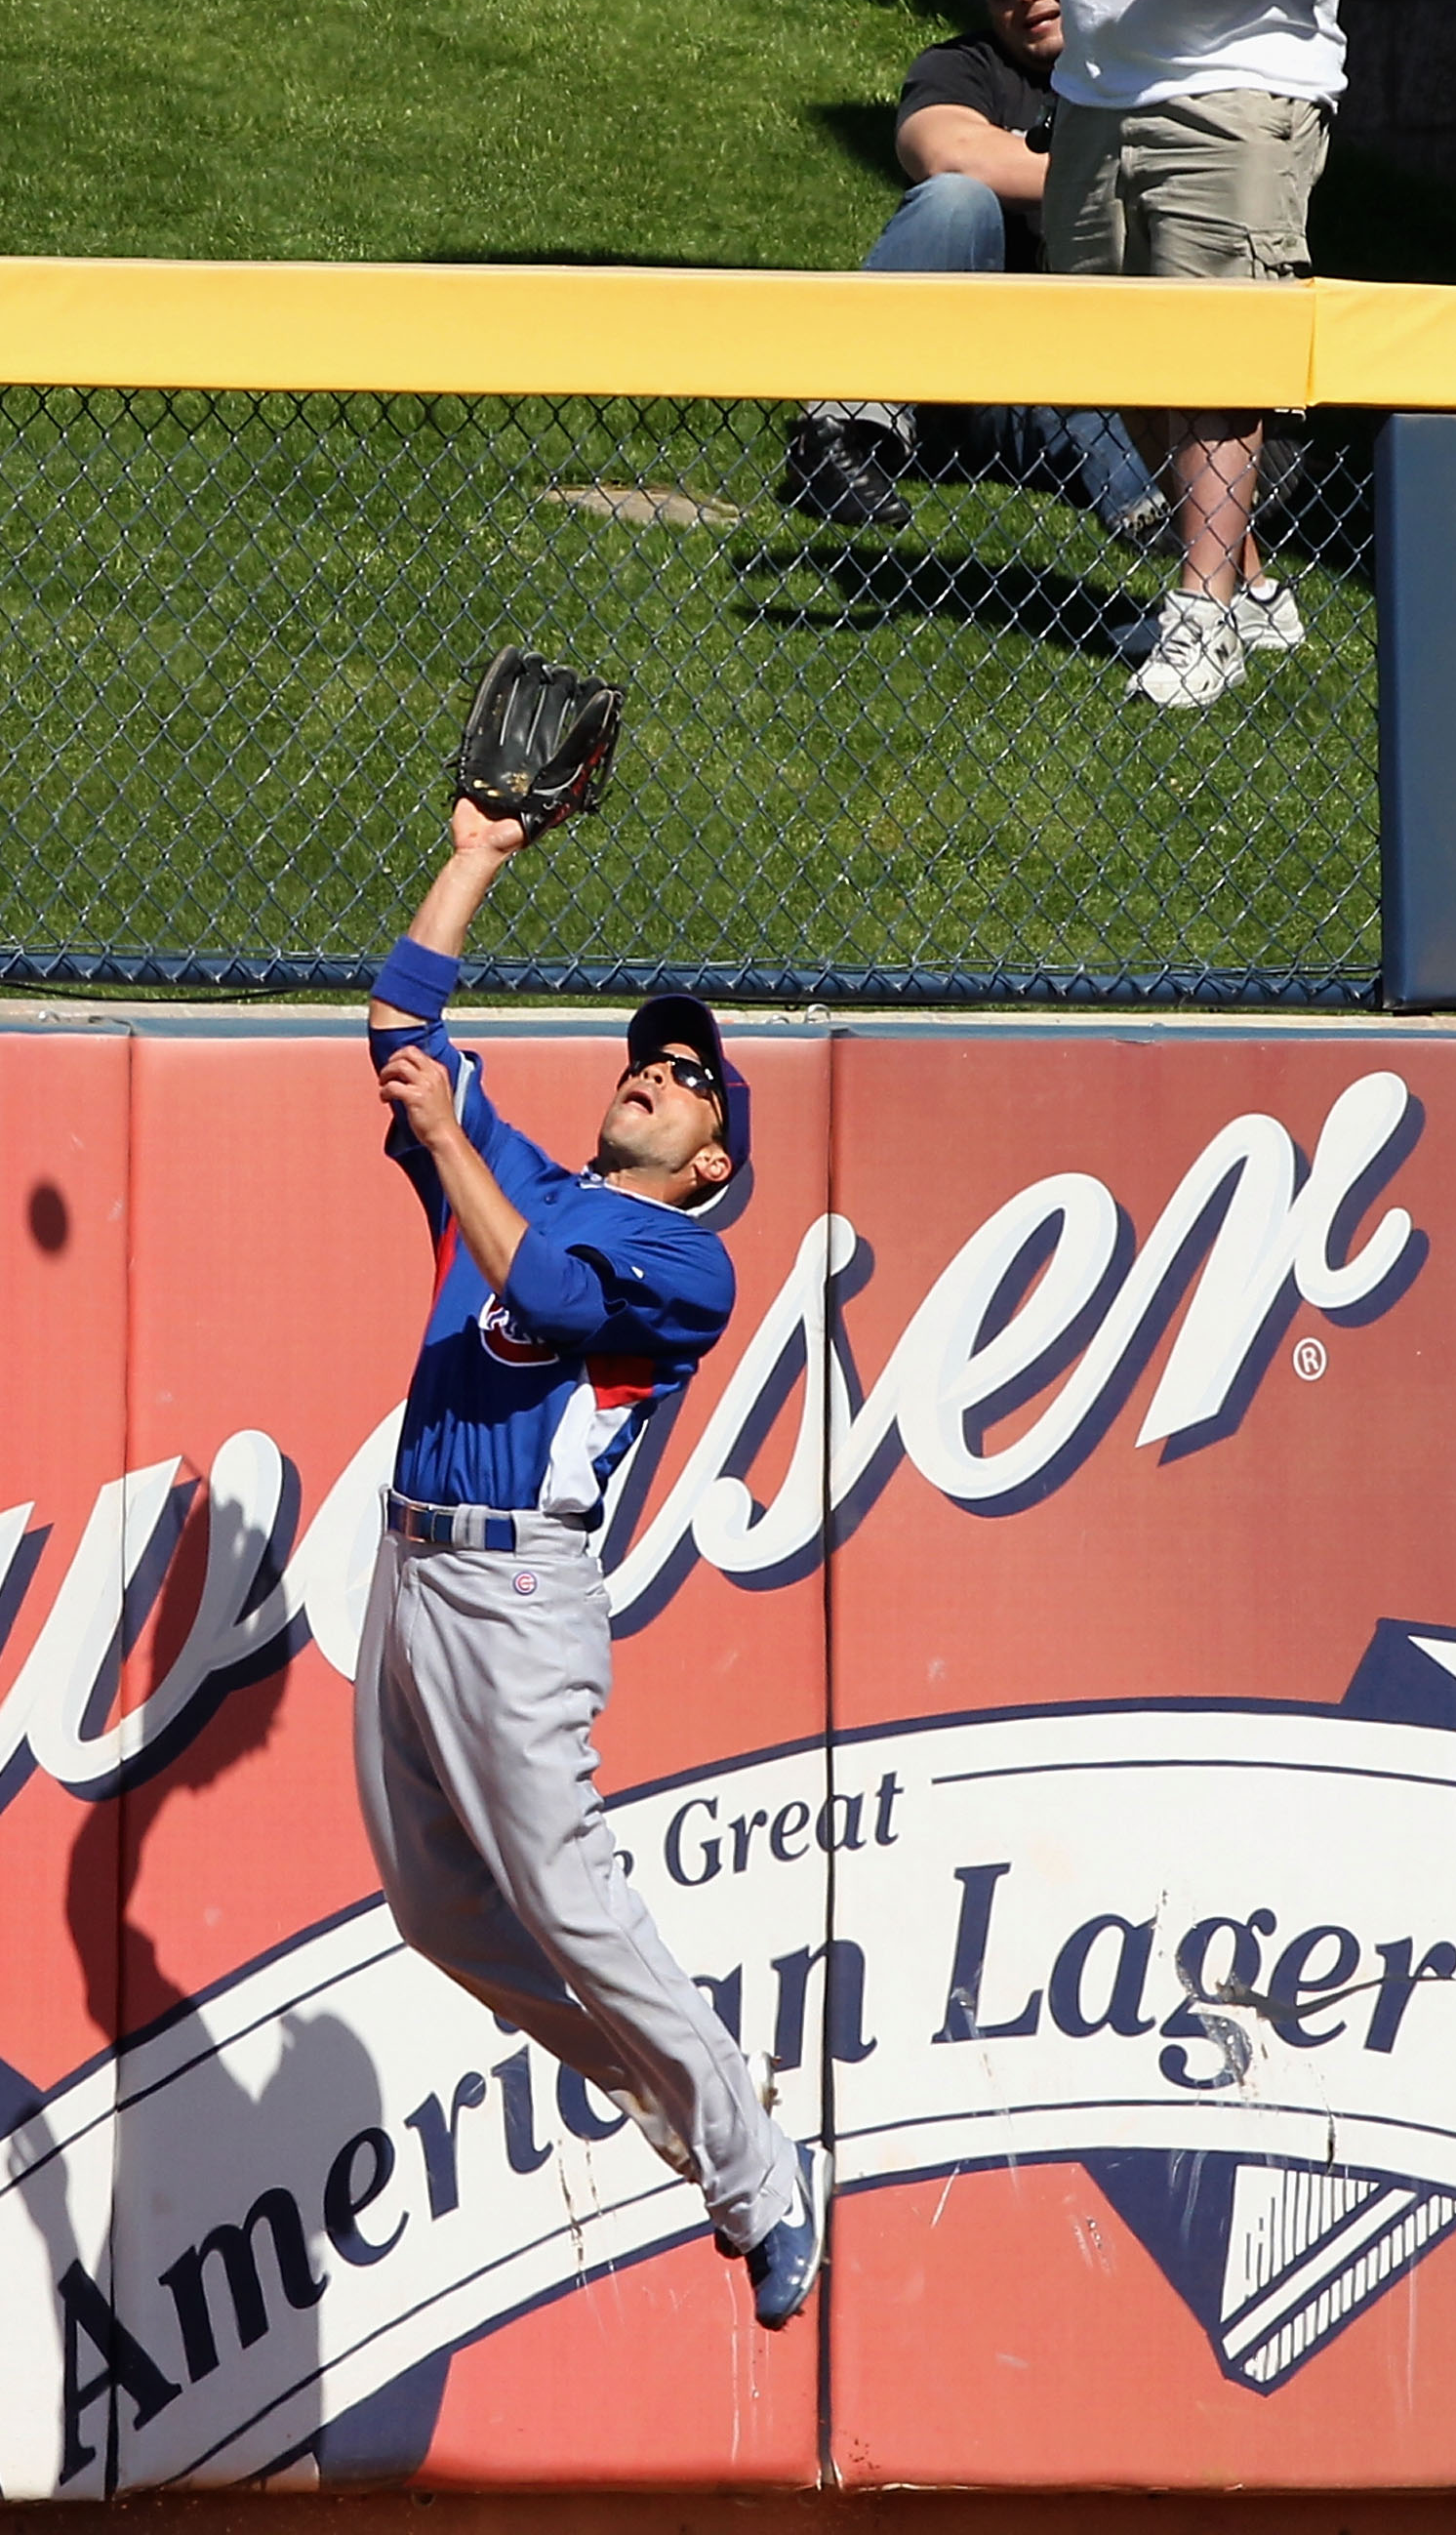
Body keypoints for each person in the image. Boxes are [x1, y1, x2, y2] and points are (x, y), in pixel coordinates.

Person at [356, 797, 828, 2333]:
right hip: (411, 1572)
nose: (657, 1074)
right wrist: (478, 857)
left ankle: (754, 2168)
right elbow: (398, 1025)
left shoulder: (690, 1257)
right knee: (437, 1912)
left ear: (711, 1161)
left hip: (518, 1591)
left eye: (694, 1081)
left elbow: (552, 1297)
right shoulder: (520, 1174)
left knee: (565, 1890)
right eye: (652, 1056)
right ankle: (677, 2094)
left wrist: (443, 1136)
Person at [989, 0, 1356, 708]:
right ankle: (1248, 590)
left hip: (1239, 86)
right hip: (1100, 86)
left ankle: (1198, 618)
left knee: (1213, 349)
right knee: (1115, 354)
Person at [783, 0, 1161, 547]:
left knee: (1093, 405)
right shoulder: (962, 68)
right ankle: (835, 434)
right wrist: (1111, 174)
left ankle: (1167, 506)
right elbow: (950, 155)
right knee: (958, 201)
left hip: (1072, 376)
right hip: (953, 368)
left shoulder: (1141, 68)